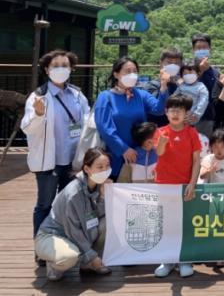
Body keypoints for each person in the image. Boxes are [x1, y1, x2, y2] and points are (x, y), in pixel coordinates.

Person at [21, 49, 90, 238]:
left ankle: (65, 242)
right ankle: (41, 245)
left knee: (69, 203)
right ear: (46, 69)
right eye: (55, 66)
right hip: (49, 162)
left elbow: (87, 122)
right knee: (44, 204)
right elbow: (27, 128)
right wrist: (38, 114)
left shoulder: (77, 95)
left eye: (65, 65)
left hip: (73, 161)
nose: (61, 69)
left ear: (71, 69)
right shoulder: (38, 96)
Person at [34, 147, 111, 281]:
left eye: (107, 166)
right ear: (87, 169)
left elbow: (99, 215)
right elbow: (73, 230)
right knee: (68, 257)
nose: (105, 170)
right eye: (100, 167)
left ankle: (88, 264)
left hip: (81, 231)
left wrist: (103, 197)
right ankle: (54, 265)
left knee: (107, 222)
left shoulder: (99, 185)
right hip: (54, 235)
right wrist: (91, 255)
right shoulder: (73, 193)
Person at [94, 56, 170, 180]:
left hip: (140, 156)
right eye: (128, 71)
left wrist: (163, 87)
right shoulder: (105, 97)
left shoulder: (141, 94)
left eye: (135, 71)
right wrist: (124, 149)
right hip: (116, 155)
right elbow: (105, 128)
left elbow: (159, 109)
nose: (132, 74)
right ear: (116, 74)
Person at [153, 94, 201, 278]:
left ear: (186, 113)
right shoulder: (160, 131)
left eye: (179, 110)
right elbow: (160, 153)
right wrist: (162, 143)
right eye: (171, 110)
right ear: (166, 112)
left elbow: (196, 160)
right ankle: (167, 260)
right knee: (166, 224)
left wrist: (192, 183)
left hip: (184, 186)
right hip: (164, 186)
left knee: (184, 224)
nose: (175, 113)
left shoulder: (192, 132)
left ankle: (184, 260)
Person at [138, 47, 183, 127]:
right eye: (169, 62)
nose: (173, 66)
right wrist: (164, 84)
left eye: (176, 63)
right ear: (161, 63)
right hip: (157, 129)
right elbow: (158, 109)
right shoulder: (152, 85)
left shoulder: (181, 85)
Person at [191, 33, 220, 136]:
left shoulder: (216, 73)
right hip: (190, 119)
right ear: (193, 50)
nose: (202, 50)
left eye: (204, 47)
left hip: (209, 119)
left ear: (210, 49)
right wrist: (201, 71)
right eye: (198, 48)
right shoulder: (187, 70)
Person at [174, 62, 209, 126]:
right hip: (178, 114)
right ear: (182, 76)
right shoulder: (181, 86)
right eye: (185, 73)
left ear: (198, 74)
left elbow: (203, 101)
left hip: (192, 116)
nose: (188, 75)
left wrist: (197, 114)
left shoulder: (201, 87)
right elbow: (174, 97)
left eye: (191, 73)